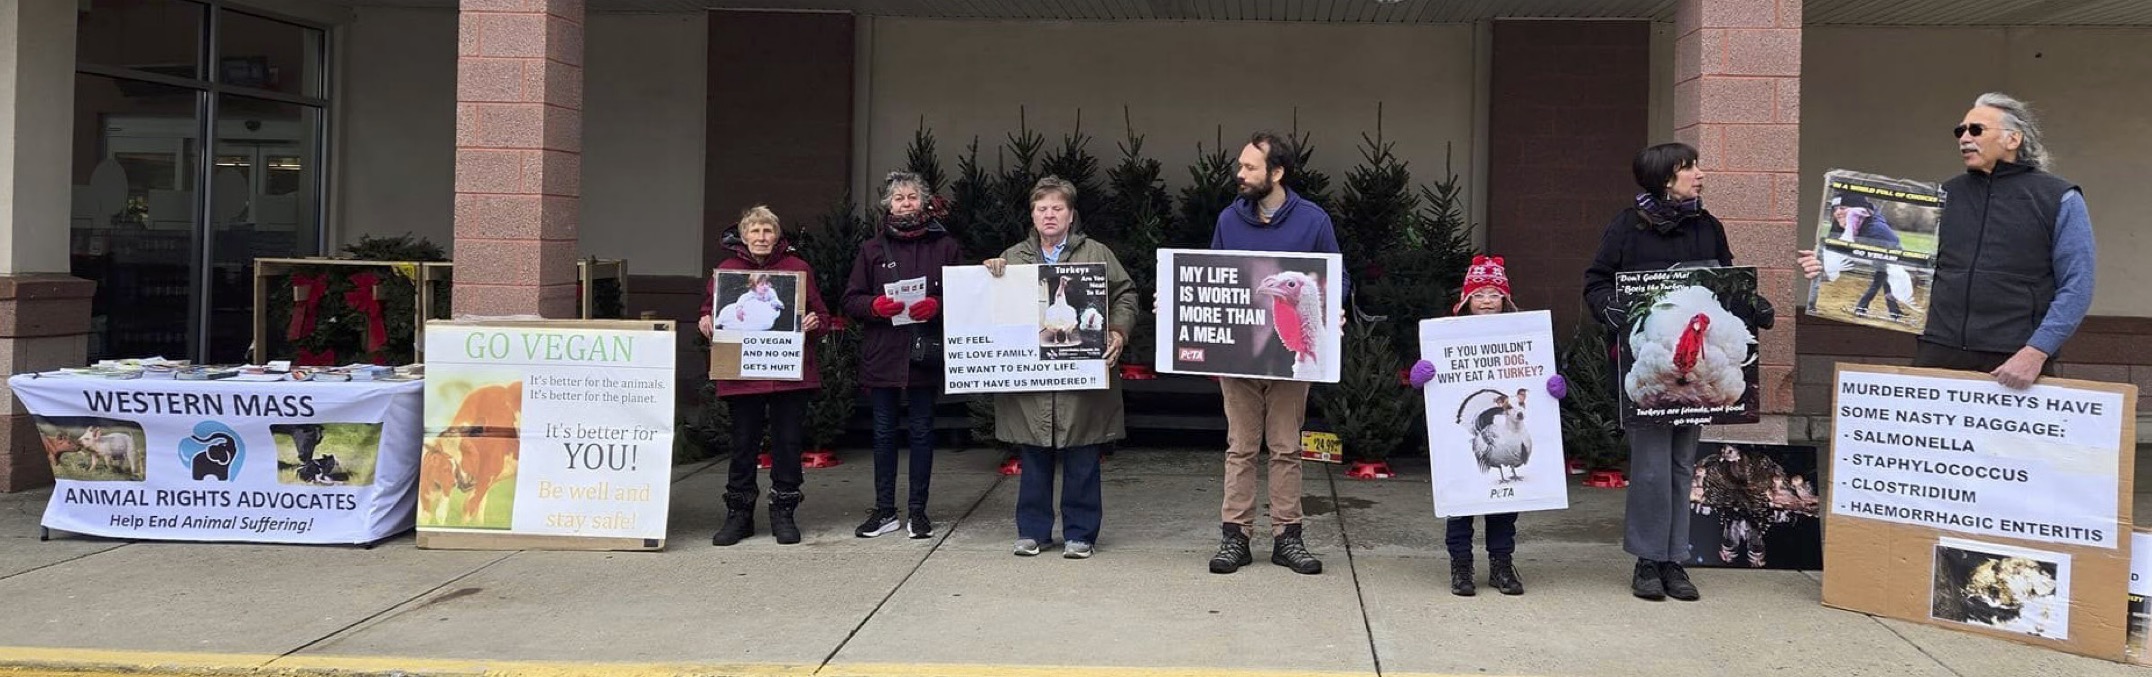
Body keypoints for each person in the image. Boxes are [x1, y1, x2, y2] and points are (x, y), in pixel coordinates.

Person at [1583, 142, 1774, 602]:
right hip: (1649, 370)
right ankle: (1647, 560)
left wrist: (1753, 307)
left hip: (1701, 373)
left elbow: (1726, 282)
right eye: (1689, 168)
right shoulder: (1627, 227)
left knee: (1683, 462)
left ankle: (1674, 560)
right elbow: (1596, 279)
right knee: (1650, 466)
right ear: (1665, 177)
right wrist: (1610, 307)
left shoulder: (1707, 226)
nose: (1699, 174)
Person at [1799, 92, 2094, 389]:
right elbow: (1900, 264)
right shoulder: (1943, 197)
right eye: (1960, 130)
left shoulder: (2060, 199)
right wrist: (1829, 263)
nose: (1964, 137)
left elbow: (2078, 284)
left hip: (2016, 359)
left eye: (1976, 129)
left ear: (2013, 139)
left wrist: (2037, 351)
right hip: (1939, 350)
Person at [1202, 132, 1344, 576]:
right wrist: (1174, 304)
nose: (1239, 175)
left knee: (1286, 447)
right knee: (1240, 446)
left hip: (1290, 356)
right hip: (1239, 357)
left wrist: (1334, 309)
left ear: (1276, 173)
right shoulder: (1229, 219)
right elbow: (1209, 276)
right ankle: (1235, 537)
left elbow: (1337, 277)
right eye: (1240, 166)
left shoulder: (1313, 221)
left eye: (1249, 168)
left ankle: (1288, 537)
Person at [982, 177, 1137, 560]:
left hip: (1081, 375)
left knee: (1083, 452)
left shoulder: (1097, 253)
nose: (1049, 215)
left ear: (1071, 216)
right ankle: (1032, 532)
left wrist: (1118, 331)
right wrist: (989, 274)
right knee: (1033, 453)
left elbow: (1125, 294)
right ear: (1032, 215)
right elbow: (991, 305)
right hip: (1033, 380)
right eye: (1041, 208)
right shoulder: (1013, 258)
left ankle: (1080, 534)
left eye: (1057, 208)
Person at [1407, 255, 1568, 596]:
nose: (1486, 301)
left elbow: (1535, 377)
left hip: (1507, 441)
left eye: (1494, 294)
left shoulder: (1525, 335)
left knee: (1504, 507)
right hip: (1474, 440)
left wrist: (1551, 387)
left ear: (1505, 300)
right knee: (1461, 504)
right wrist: (1420, 376)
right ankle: (1461, 566)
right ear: (1466, 301)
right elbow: (1433, 385)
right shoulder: (1446, 337)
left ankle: (1501, 565)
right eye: (1478, 294)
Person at [699, 206, 828, 546]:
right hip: (743, 375)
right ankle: (738, 515)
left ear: (777, 236)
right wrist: (706, 323)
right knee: (743, 445)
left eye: (767, 231)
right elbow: (709, 311)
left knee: (787, 444)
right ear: (743, 237)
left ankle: (783, 512)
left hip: (789, 375)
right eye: (754, 231)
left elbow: (821, 314)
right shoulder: (727, 272)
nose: (761, 237)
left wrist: (815, 325)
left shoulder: (797, 270)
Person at [843, 171, 962, 539]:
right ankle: (884, 511)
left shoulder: (946, 247)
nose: (906, 203)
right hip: (883, 353)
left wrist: (938, 305)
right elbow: (850, 299)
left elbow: (967, 295)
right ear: (888, 205)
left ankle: (918, 512)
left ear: (924, 202)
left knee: (923, 433)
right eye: (899, 198)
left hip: (923, 352)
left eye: (912, 197)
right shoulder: (872, 250)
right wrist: (875, 306)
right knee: (882, 435)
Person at [1823, 192, 1911, 321]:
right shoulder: (1865, 221)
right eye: (1835, 209)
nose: (1837, 212)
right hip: (1885, 256)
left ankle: (1892, 312)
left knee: (1884, 284)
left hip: (1888, 255)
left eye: (1842, 208)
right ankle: (1865, 308)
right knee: (1879, 284)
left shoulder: (1874, 227)